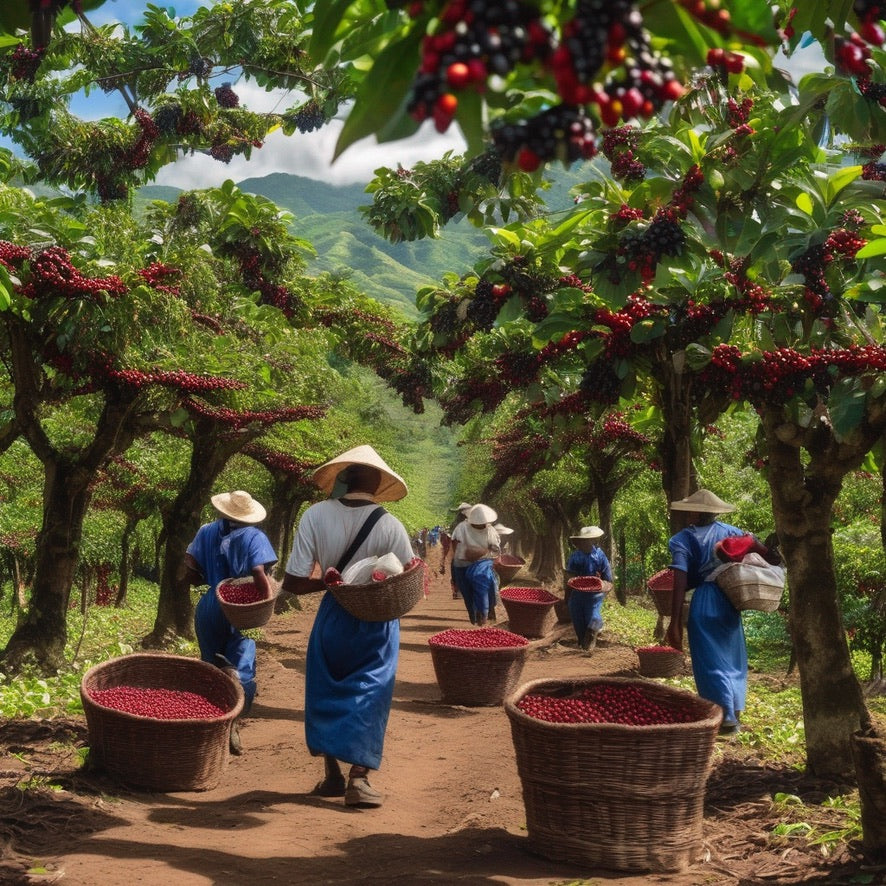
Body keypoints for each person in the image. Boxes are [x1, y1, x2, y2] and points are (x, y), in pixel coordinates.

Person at [281, 444, 414, 808]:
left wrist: (332, 583)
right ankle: (359, 778)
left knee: (327, 686)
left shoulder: (314, 516)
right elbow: (409, 576)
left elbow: (293, 582)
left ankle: (331, 775)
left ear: (345, 478)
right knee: (371, 689)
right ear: (376, 483)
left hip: (333, 613)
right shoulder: (389, 524)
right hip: (377, 618)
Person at [664, 489, 775, 737]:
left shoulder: (682, 539)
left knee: (710, 662)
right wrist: (762, 545)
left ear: (695, 511)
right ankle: (733, 713)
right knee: (731, 659)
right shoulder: (732, 533)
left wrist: (674, 621)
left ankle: (724, 716)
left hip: (705, 599)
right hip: (729, 598)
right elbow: (767, 555)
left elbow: (679, 578)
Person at [184, 490, 278, 755]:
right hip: (241, 608)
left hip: (210, 604)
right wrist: (267, 602)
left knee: (211, 665)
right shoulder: (254, 536)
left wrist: (208, 575)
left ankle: (210, 724)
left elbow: (189, 565)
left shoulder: (206, 531)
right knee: (241, 665)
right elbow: (259, 572)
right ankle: (233, 722)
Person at [450, 503, 501, 626]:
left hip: (481, 563)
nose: (479, 525)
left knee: (482, 588)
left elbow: (496, 550)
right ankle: (474, 617)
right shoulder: (461, 527)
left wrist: (481, 553)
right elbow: (454, 543)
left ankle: (484, 615)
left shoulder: (490, 531)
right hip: (462, 564)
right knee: (467, 593)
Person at [564, 526, 612, 651]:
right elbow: (570, 578)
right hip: (577, 595)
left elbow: (608, 577)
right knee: (579, 622)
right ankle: (583, 646)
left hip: (594, 595)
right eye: (583, 541)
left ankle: (591, 642)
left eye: (588, 540)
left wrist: (604, 587)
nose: (585, 543)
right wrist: (567, 597)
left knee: (594, 618)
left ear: (592, 541)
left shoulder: (600, 556)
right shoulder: (575, 557)